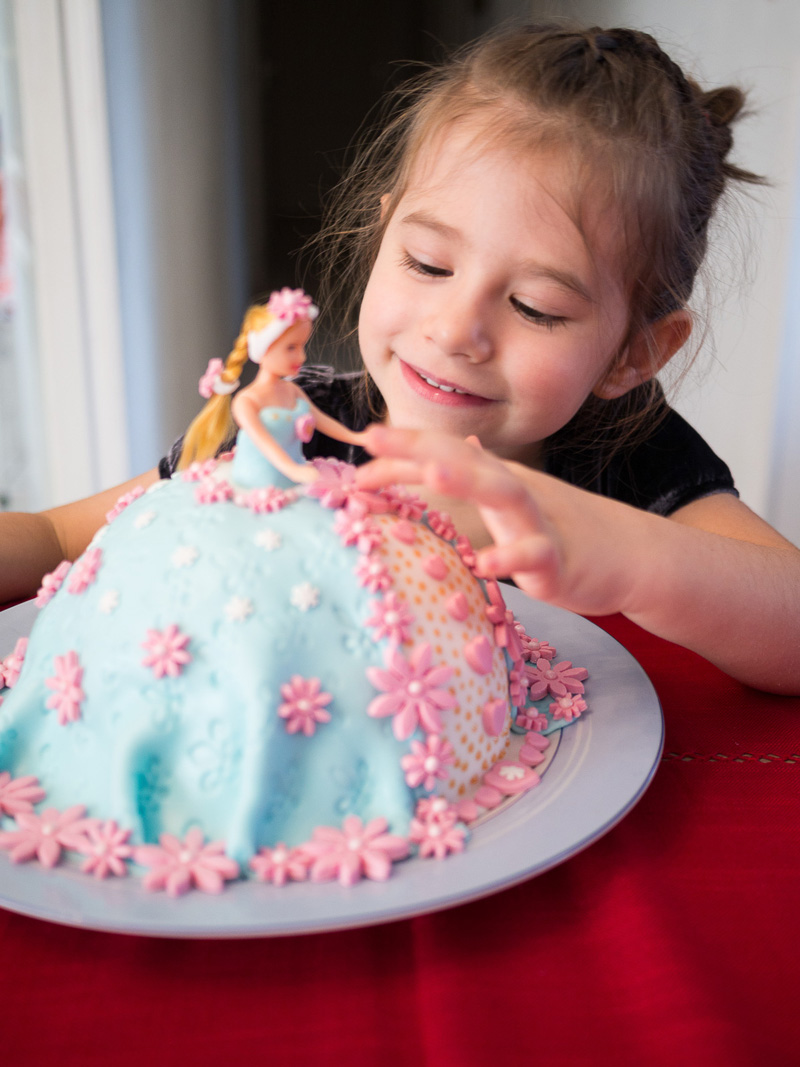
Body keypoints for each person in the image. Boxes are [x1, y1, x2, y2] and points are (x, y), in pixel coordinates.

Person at [1, 23, 798, 693]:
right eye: (427, 263)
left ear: (634, 352)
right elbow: (60, 538)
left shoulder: (628, 457)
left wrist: (621, 553)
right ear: (383, 236)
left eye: (535, 308)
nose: (457, 330)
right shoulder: (290, 429)